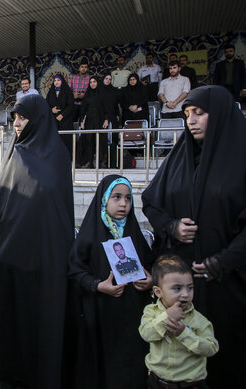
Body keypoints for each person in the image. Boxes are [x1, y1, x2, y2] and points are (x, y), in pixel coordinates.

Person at [141, 85, 245, 388]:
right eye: (187, 113)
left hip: (227, 285)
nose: (191, 120)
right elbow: (152, 202)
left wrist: (221, 262)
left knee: (224, 356)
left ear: (222, 115)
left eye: (199, 113)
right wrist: (172, 227)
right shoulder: (180, 156)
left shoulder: (240, 158)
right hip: (181, 286)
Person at [0, 94, 74, 388]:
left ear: (38, 119)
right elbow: (4, 204)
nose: (16, 123)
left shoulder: (57, 156)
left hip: (43, 262)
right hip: (8, 259)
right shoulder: (15, 153)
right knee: (12, 322)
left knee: (38, 323)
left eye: (23, 117)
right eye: (15, 117)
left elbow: (56, 211)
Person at [68, 175, 152, 389]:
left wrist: (151, 280)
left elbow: (151, 265)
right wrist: (97, 285)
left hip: (132, 316)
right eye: (116, 197)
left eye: (127, 198)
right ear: (104, 199)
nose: (123, 203)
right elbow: (75, 271)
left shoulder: (133, 232)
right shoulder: (90, 234)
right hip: (100, 315)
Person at [139, 255, 219, 389]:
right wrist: (166, 317)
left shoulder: (197, 319)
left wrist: (184, 333)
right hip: (158, 383)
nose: (185, 294)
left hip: (191, 384)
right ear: (158, 292)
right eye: (177, 288)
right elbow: (146, 334)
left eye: (190, 288)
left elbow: (211, 348)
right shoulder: (151, 312)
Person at [78, 76, 107, 168]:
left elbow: (107, 108)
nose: (92, 84)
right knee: (89, 141)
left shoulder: (102, 94)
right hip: (89, 121)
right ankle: (90, 162)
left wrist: (106, 119)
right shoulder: (88, 95)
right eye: (91, 82)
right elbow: (83, 109)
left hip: (100, 120)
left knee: (99, 141)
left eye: (94, 82)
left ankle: (100, 162)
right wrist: (81, 121)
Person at [46, 74, 75, 158]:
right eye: (55, 80)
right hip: (54, 121)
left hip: (66, 121)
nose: (56, 82)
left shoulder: (67, 91)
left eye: (58, 80)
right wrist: (52, 110)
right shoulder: (51, 92)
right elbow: (46, 104)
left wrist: (63, 114)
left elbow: (70, 105)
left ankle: (67, 159)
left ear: (62, 81)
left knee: (66, 140)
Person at [100, 74, 120, 167]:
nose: (108, 80)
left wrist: (117, 115)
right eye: (106, 78)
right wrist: (105, 118)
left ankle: (113, 162)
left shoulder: (113, 91)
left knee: (113, 140)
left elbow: (115, 105)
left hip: (112, 117)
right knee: (103, 141)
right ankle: (103, 160)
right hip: (102, 118)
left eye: (110, 79)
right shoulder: (99, 90)